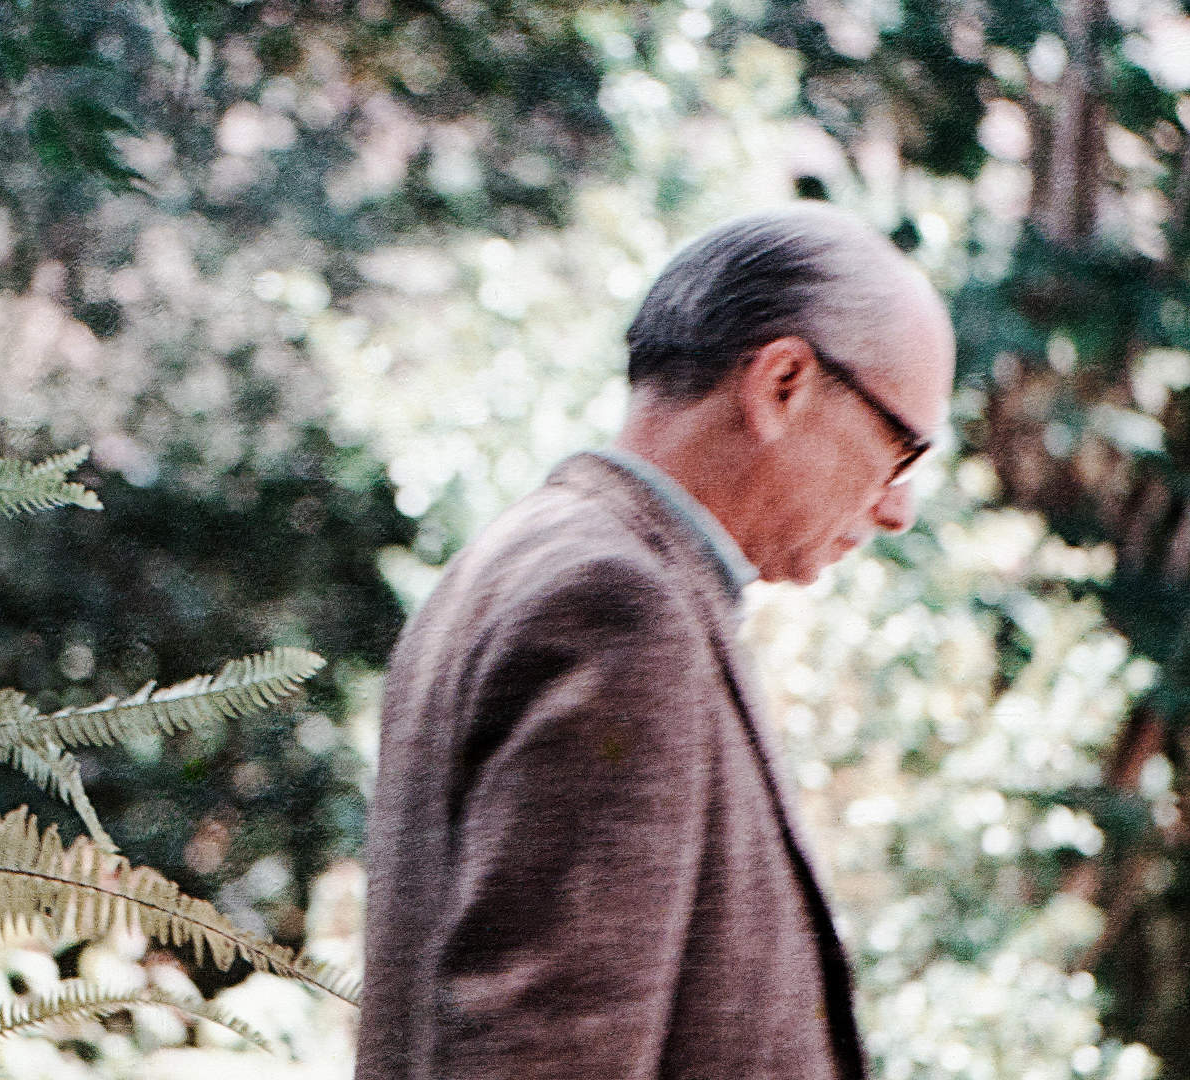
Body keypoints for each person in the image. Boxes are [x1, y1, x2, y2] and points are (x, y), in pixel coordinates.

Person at [355, 205, 956, 1080]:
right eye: (900, 450)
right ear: (782, 382)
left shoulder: (517, 559)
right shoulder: (618, 607)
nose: (897, 509)